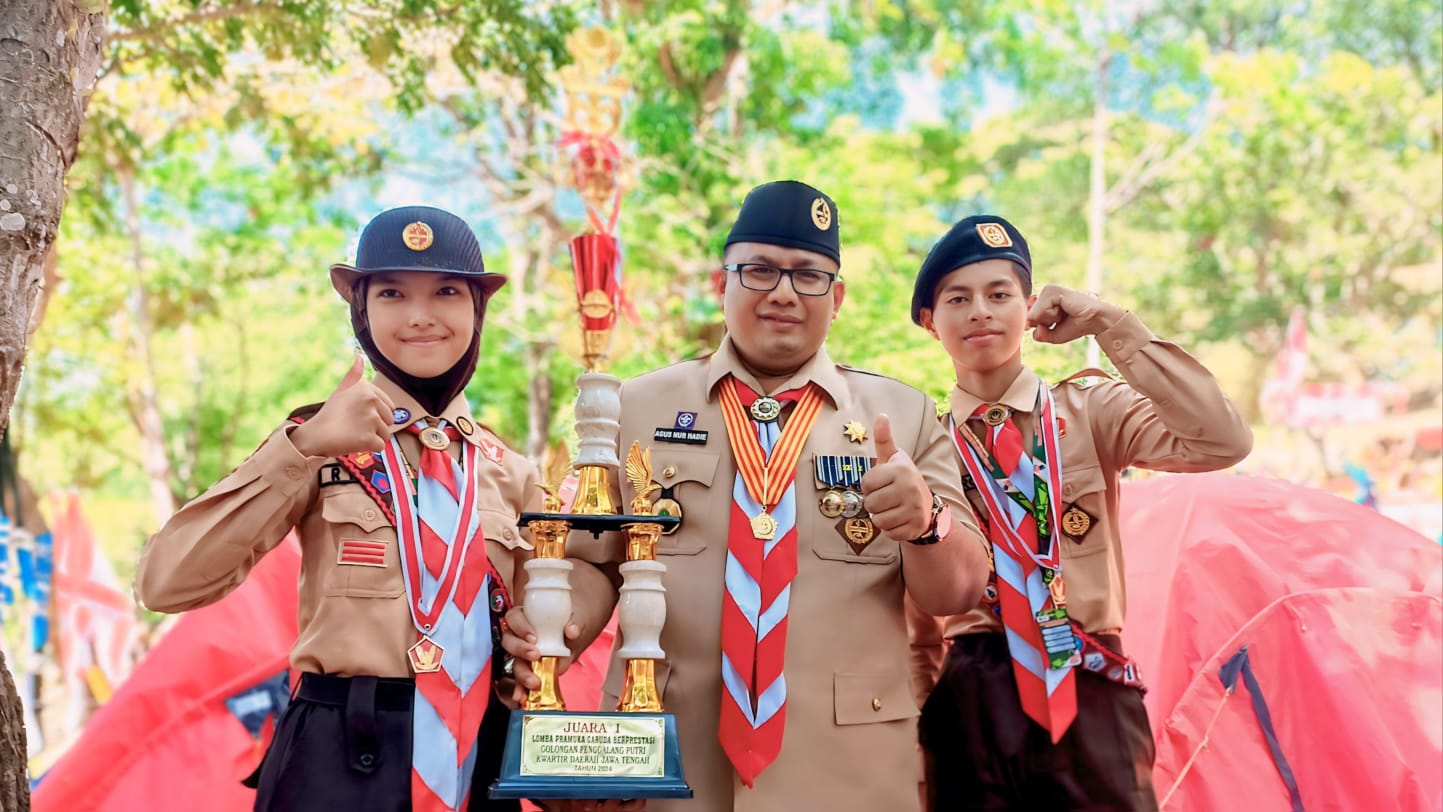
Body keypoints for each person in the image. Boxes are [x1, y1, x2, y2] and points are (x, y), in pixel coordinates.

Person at [502, 180, 992, 812]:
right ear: (720, 283)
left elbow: (957, 590)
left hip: (847, 771)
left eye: (809, 276)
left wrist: (927, 524)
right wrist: (556, 624)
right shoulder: (637, 407)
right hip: (669, 759)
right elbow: (594, 561)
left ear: (837, 297)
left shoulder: (902, 415)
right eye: (759, 270)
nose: (784, 292)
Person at [135, 205, 540, 812]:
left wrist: (531, 652)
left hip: (477, 755)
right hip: (338, 756)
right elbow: (165, 582)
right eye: (393, 293)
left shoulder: (511, 472)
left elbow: (538, 634)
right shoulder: (316, 441)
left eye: (448, 292)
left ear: (476, 310)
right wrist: (303, 446)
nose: (421, 316)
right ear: (362, 311)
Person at [907, 215, 1253, 810]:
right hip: (972, 690)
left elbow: (1221, 440)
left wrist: (1110, 324)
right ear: (929, 322)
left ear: (1031, 306)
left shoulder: (1090, 411)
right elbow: (914, 625)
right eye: (957, 299)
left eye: (1000, 294)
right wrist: (920, 724)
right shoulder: (925, 444)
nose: (980, 312)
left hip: (1090, 679)